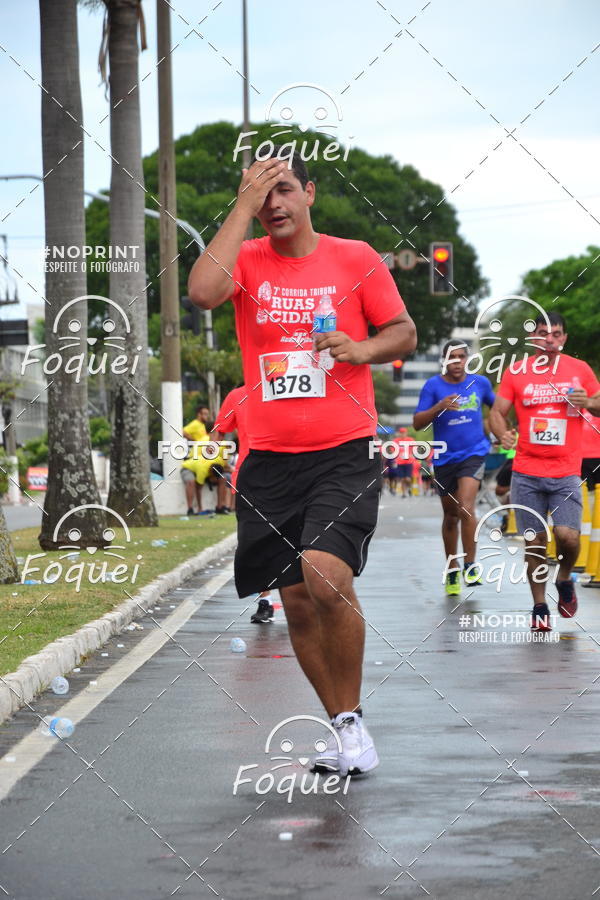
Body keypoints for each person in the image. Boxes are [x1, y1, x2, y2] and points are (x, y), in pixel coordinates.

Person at [188, 148, 416, 776]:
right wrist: (241, 205)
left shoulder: (356, 258)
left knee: (323, 575)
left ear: (310, 193)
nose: (273, 203)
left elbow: (403, 331)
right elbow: (202, 293)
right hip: (269, 460)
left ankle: (351, 723)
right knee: (293, 599)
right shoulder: (244, 259)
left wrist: (361, 349)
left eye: (284, 188)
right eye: (261, 193)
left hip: (344, 451)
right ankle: (345, 725)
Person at [489, 312, 600, 631]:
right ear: (533, 337)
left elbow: (599, 403)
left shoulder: (580, 370)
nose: (549, 339)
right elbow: (497, 412)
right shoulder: (516, 371)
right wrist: (502, 433)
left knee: (568, 537)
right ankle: (539, 606)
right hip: (526, 471)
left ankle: (564, 577)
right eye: (542, 332)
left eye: (556, 333)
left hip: (566, 472)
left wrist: (589, 401)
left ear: (564, 338)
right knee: (534, 541)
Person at [413, 339, 496, 595]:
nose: (457, 362)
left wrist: (503, 431)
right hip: (444, 457)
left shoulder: (480, 383)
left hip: (474, 453)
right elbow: (417, 423)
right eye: (452, 357)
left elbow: (498, 409)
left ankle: (470, 565)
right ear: (444, 360)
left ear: (467, 359)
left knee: (466, 508)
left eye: (461, 356)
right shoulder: (433, 386)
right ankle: (452, 568)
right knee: (450, 517)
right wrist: (439, 407)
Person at [212, 384, 276, 623]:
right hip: (248, 479)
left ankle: (300, 600)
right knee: (254, 542)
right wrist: (215, 456)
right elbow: (219, 431)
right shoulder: (237, 396)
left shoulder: (286, 390)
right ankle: (266, 601)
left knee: (291, 541)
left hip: (289, 476)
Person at [495, 434, 518, 531]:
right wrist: (515, 486)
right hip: (508, 494)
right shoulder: (510, 466)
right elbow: (498, 491)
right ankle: (510, 521)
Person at [581, 410, 600, 491]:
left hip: (582, 457)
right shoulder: (576, 409)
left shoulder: (576, 409)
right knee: (586, 491)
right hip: (582, 458)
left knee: (587, 491)